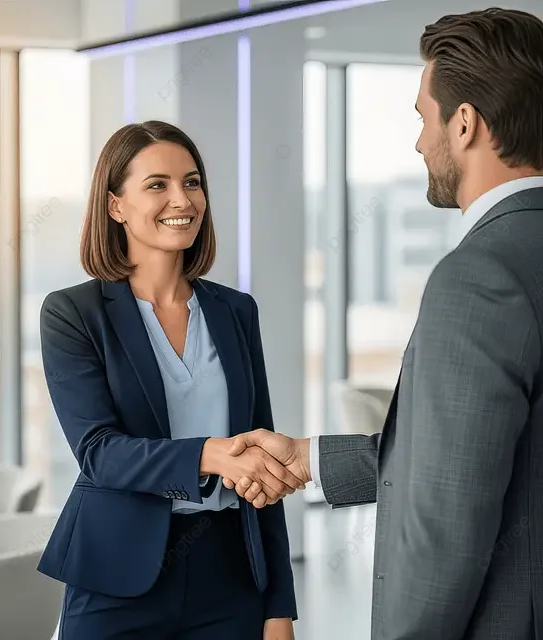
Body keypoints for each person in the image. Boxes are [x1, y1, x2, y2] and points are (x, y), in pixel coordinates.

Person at [224, 7, 543, 640]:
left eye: (423, 119)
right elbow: (472, 454)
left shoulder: (477, 277)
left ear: (464, 122)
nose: (419, 143)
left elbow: (446, 516)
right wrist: (308, 458)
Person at [37, 120, 301, 639]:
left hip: (229, 575)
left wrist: (279, 606)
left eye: (193, 181)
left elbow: (262, 455)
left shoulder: (235, 311)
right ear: (116, 206)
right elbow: (100, 452)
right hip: (117, 576)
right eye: (157, 184)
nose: (182, 198)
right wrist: (212, 454)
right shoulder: (74, 312)